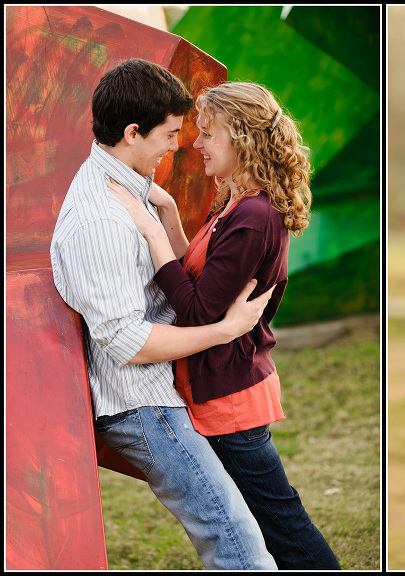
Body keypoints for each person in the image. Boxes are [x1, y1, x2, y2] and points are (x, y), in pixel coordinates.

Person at [50, 58, 278, 569]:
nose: (179, 146)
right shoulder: (101, 219)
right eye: (170, 134)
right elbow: (129, 344)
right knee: (234, 536)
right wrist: (226, 330)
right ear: (133, 132)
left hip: (163, 390)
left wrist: (167, 215)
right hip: (143, 405)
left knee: (247, 521)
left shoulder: (130, 186)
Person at [107, 81, 341, 570]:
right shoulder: (234, 204)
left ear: (239, 136)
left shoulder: (254, 218)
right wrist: (167, 211)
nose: (196, 143)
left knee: (279, 524)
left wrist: (150, 231)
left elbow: (194, 310)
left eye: (208, 133)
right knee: (260, 520)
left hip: (229, 401)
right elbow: (198, 277)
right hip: (218, 389)